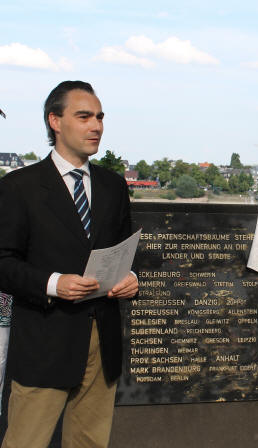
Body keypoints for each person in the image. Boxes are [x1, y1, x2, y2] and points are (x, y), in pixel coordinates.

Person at [0, 80, 138, 448]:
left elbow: (125, 250)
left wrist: (131, 278)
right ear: (55, 122)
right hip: (45, 343)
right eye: (84, 116)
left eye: (100, 116)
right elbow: (2, 261)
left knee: (90, 442)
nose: (96, 126)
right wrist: (52, 283)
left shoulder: (113, 185)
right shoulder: (19, 187)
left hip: (103, 342)